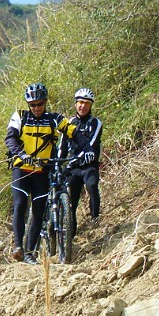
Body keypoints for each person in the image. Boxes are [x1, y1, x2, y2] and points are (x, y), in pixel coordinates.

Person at [4, 82, 76, 265]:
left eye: (40, 104)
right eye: (33, 105)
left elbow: (73, 132)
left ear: (45, 102)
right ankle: (18, 247)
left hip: (42, 172)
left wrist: (87, 149)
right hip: (22, 170)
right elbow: (10, 138)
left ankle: (29, 253)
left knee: (38, 212)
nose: (36, 108)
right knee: (20, 205)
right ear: (28, 104)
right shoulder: (20, 116)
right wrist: (21, 154)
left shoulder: (54, 119)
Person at [63, 87, 103, 234]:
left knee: (92, 185)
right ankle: (70, 232)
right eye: (80, 102)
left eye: (87, 103)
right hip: (73, 167)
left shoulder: (96, 123)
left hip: (89, 166)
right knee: (71, 199)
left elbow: (92, 144)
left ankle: (95, 221)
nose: (83, 106)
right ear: (75, 104)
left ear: (91, 105)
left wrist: (88, 155)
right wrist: (59, 162)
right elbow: (62, 145)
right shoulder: (69, 122)